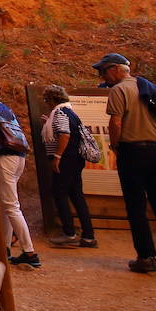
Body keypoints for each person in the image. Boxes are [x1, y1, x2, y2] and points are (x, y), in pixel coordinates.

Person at [96, 52, 156, 273]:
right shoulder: (150, 88)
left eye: (104, 71)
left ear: (114, 69)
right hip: (154, 152)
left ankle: (147, 257)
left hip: (132, 151)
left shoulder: (119, 90)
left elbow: (116, 122)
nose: (104, 77)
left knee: (136, 206)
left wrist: (116, 147)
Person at [0, 77, 41, 268]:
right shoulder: (5, 108)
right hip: (19, 156)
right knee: (7, 204)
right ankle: (5, 248)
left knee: (11, 206)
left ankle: (30, 253)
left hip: (3, 157)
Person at [40, 84, 97, 248]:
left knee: (59, 193)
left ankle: (69, 233)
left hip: (66, 160)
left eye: (46, 100)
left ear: (52, 99)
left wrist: (57, 157)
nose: (46, 103)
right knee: (77, 196)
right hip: (75, 159)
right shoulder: (69, 112)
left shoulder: (59, 113)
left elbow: (65, 134)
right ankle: (88, 236)